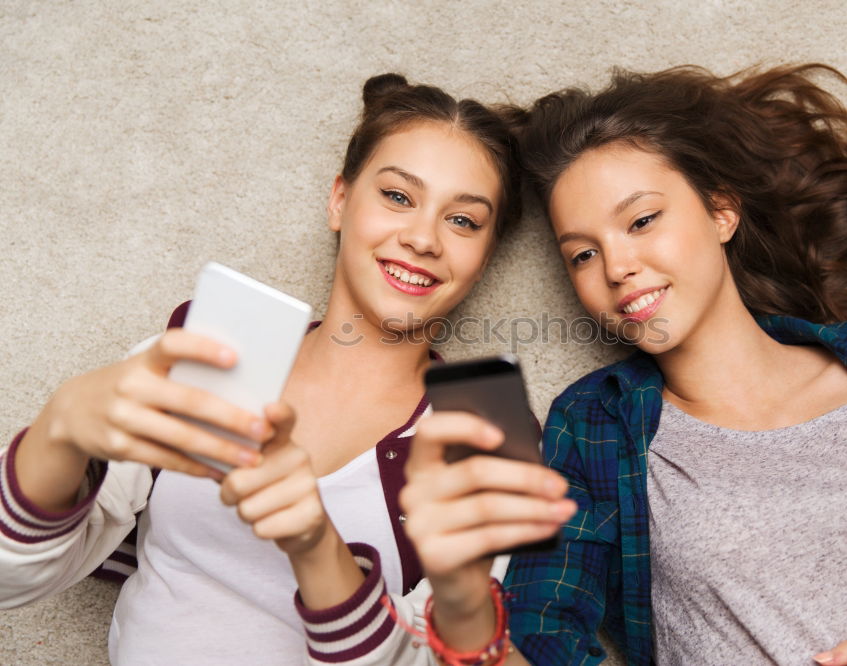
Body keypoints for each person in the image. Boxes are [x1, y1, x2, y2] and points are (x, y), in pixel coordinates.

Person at [400, 64, 847, 665]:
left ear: (721, 212)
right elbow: (540, 642)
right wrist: (462, 596)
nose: (616, 267)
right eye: (583, 254)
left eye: (641, 221)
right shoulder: (594, 426)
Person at [0, 72, 534, 665]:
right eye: (398, 196)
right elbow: (11, 582)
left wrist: (314, 546)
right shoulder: (207, 351)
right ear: (339, 200)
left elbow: (440, 656)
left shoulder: (487, 432)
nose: (422, 238)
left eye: (463, 221)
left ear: (483, 258)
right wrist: (57, 433)